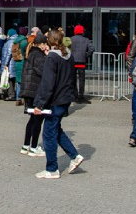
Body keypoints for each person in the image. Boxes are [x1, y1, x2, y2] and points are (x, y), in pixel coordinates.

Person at [32, 29, 83, 179]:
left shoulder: (53, 57)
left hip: (55, 100)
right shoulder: (68, 55)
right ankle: (74, 155)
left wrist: (39, 104)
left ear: (50, 41)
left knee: (48, 134)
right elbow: (72, 79)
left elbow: (47, 83)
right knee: (56, 129)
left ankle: (52, 168)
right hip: (65, 98)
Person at [20, 33, 46, 157]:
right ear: (41, 44)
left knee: (32, 119)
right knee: (37, 119)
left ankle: (25, 145)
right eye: (45, 44)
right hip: (35, 90)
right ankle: (34, 147)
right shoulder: (39, 55)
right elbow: (43, 72)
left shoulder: (30, 53)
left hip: (28, 90)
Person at [70, 25, 94, 104]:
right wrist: (86, 55)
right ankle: (81, 96)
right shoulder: (86, 40)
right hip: (82, 61)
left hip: (72, 61)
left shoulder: (71, 39)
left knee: (73, 79)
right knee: (81, 80)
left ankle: (75, 96)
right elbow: (92, 49)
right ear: (82, 31)